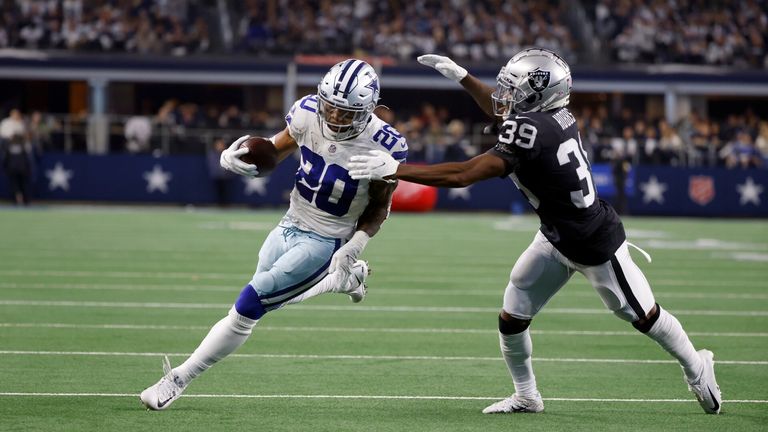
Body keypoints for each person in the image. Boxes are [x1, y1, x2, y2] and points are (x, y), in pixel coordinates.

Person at [348, 49, 721, 415]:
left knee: (644, 316)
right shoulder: (552, 115)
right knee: (513, 315)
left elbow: (465, 174)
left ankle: (696, 364)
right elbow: (503, 111)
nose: (506, 96)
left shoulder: (532, 128)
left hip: (593, 242)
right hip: (556, 233)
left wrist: (396, 168)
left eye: (515, 89)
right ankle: (527, 396)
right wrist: (463, 77)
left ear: (538, 95)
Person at [140, 59, 407, 410]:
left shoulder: (384, 143)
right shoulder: (308, 112)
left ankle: (178, 378)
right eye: (330, 107)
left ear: (368, 110)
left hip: (328, 238)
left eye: (345, 113)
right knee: (267, 290)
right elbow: (276, 150)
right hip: (291, 220)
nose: (334, 118)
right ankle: (344, 281)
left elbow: (379, 206)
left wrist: (355, 246)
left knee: (250, 305)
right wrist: (240, 159)